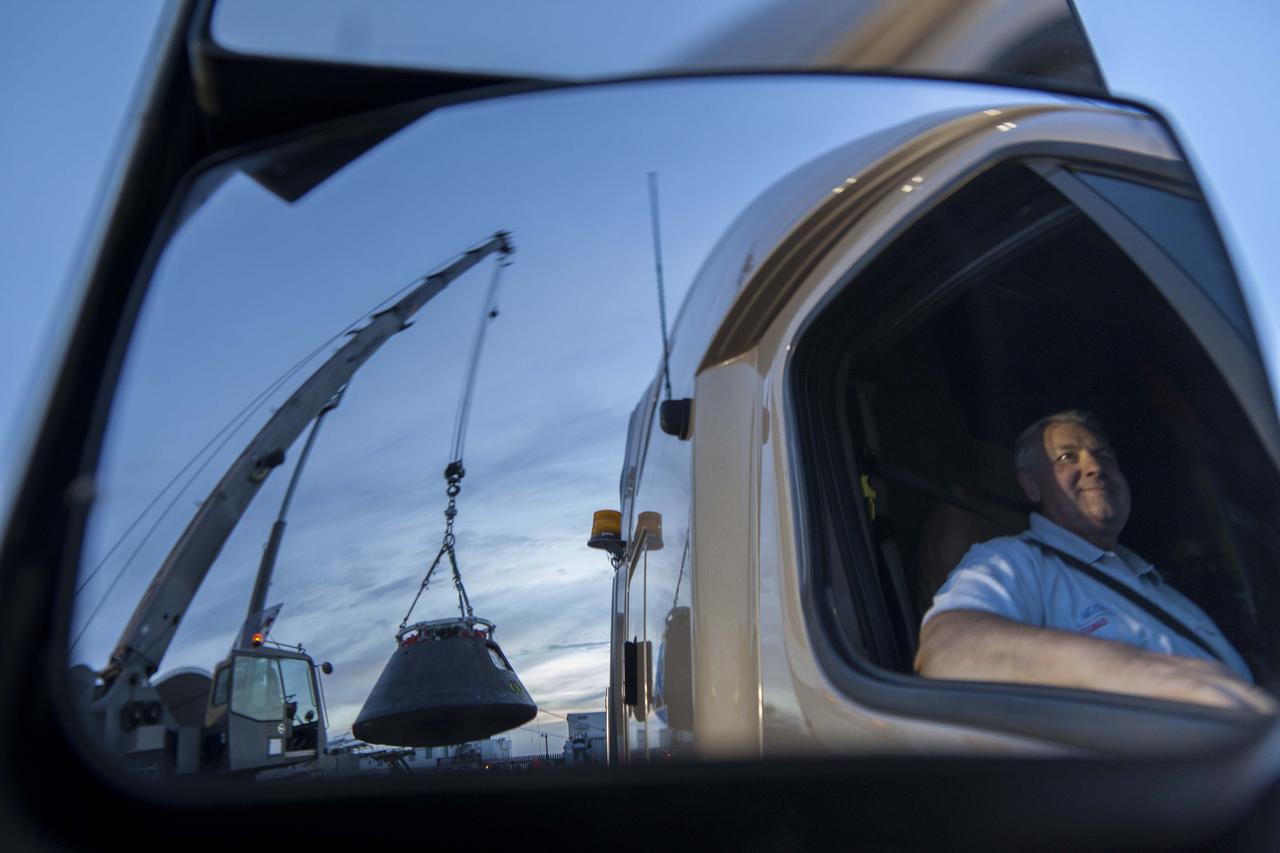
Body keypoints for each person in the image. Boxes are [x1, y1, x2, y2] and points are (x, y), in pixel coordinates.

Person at [914, 410, 1274, 713]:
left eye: (1104, 456)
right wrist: (1151, 675)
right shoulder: (1014, 560)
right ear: (1031, 486)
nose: (1095, 468)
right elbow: (946, 651)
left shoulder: (1153, 579)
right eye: (1068, 457)